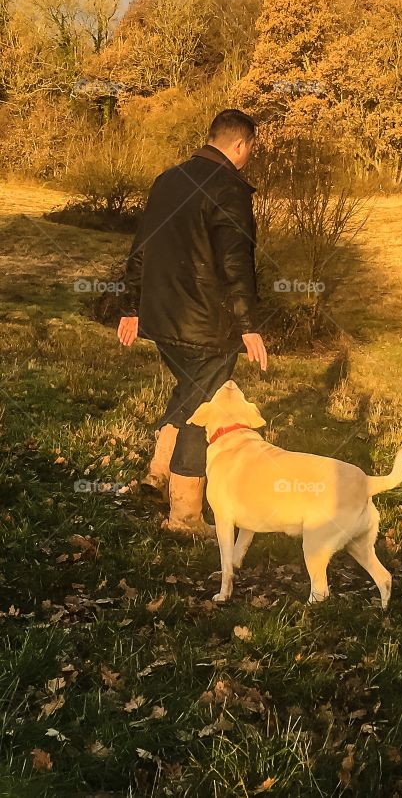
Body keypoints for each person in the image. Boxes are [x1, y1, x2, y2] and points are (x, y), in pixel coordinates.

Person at [117, 109, 268, 534]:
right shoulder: (228, 188)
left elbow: (140, 248)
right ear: (241, 145)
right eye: (250, 149)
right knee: (202, 409)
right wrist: (247, 323)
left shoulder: (167, 180)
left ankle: (157, 474)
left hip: (162, 319)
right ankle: (184, 516)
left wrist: (131, 307)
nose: (248, 157)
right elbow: (237, 263)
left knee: (189, 390)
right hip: (207, 325)